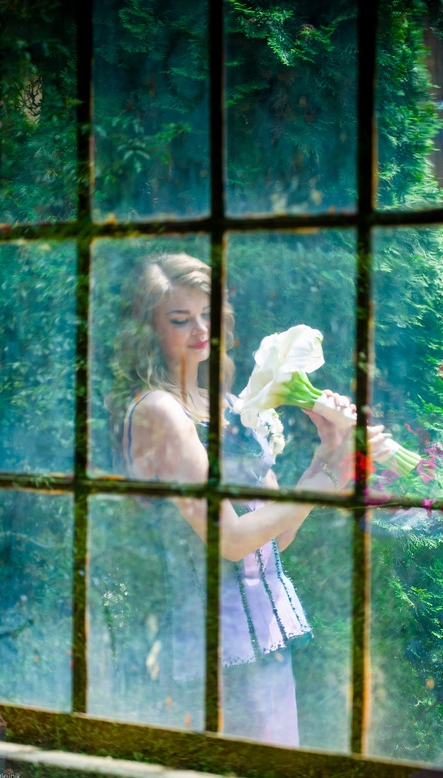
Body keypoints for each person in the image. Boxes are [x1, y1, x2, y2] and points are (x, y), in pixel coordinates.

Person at [116, 252, 383, 746]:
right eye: (180, 319)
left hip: (268, 643)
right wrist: (330, 480)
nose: (201, 329)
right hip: (208, 653)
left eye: (208, 315)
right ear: (148, 330)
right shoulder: (158, 410)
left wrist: (324, 458)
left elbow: (278, 537)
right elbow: (233, 541)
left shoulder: (232, 406)